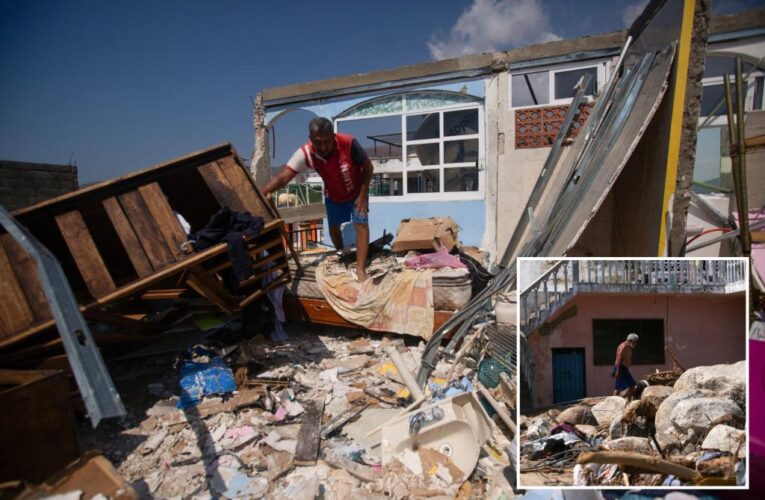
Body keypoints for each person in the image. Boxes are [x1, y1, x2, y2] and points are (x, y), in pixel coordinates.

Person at [263, 117, 373, 281]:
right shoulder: (305, 153)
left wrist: (363, 196)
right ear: (311, 138)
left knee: (361, 224)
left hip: (357, 193)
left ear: (333, 136)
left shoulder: (348, 143)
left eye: (327, 142)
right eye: (317, 142)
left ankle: (360, 268)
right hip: (333, 194)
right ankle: (341, 253)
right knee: (333, 226)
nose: (322, 147)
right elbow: (283, 177)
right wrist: (262, 192)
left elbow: (368, 167)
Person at [612, 333, 639, 399]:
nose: (636, 344)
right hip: (621, 368)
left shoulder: (628, 347)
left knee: (618, 388)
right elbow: (619, 358)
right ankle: (622, 399)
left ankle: (613, 401)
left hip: (622, 368)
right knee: (632, 386)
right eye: (635, 342)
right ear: (631, 341)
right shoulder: (624, 346)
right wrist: (617, 371)